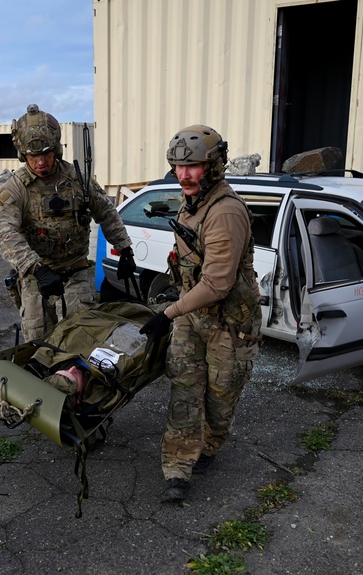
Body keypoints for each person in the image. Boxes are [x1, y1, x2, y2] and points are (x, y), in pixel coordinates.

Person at [139, 124, 262, 503]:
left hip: (228, 324)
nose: (183, 175)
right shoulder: (190, 203)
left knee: (220, 401)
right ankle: (177, 467)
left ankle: (210, 445)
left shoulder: (225, 212)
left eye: (192, 167)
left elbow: (218, 284)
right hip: (194, 318)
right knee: (185, 390)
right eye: (177, 166)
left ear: (213, 166)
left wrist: (168, 313)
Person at [0, 104, 136, 341]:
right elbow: (3, 233)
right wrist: (35, 267)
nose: (40, 162)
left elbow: (106, 211)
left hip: (75, 276)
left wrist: (125, 248)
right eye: (33, 156)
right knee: (39, 345)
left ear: (56, 149)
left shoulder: (77, 180)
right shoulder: (16, 189)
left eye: (46, 153)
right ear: (23, 155)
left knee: (82, 340)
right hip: (37, 282)